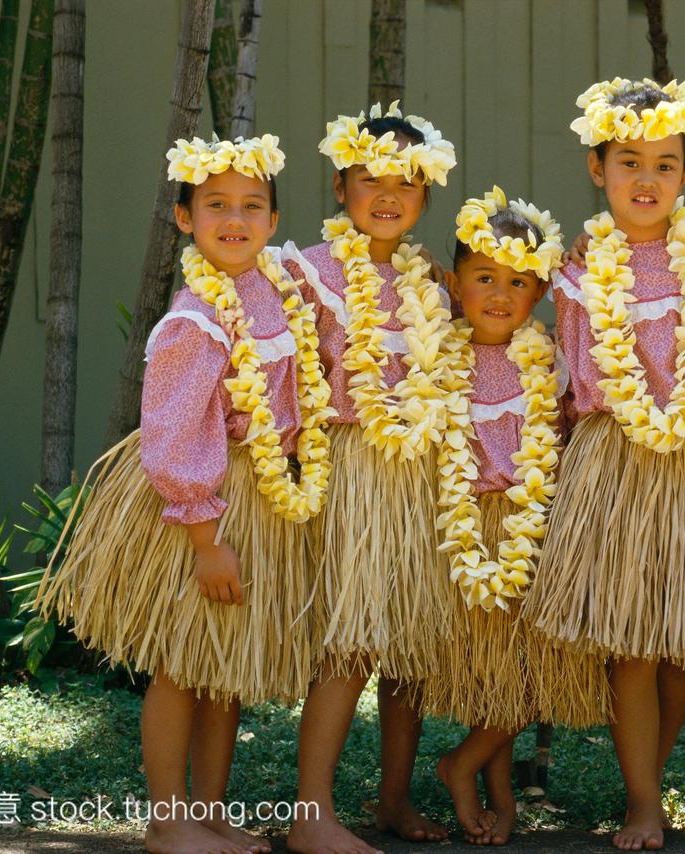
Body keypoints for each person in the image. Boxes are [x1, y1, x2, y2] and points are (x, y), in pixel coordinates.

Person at [38, 134, 330, 854]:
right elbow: (172, 434)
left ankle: (210, 812)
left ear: (273, 219)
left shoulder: (276, 292)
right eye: (216, 206)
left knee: (220, 667)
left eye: (252, 206)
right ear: (183, 219)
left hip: (259, 496)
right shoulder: (194, 320)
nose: (235, 219)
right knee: (181, 662)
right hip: (201, 508)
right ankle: (168, 820)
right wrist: (205, 537)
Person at [522, 77, 685, 852]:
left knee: (679, 649)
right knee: (631, 643)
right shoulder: (571, 271)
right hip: (612, 462)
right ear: (598, 168)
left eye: (665, 164)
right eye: (628, 161)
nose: (646, 179)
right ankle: (641, 803)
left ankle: (651, 784)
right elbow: (557, 374)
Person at [278, 102, 457, 854]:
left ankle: (393, 798)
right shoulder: (306, 273)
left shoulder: (433, 286)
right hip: (344, 470)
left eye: (406, 183)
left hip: (415, 475)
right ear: (339, 184)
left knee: (409, 647)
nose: (388, 195)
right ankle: (310, 810)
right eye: (369, 179)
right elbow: (282, 377)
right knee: (348, 644)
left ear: (426, 194)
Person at [420, 187, 611, 845]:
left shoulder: (548, 358)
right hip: (465, 528)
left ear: (540, 290)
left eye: (518, 281)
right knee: (492, 676)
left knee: (534, 673)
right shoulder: (437, 356)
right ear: (455, 283)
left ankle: (463, 764)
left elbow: (569, 428)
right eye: (483, 277)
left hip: (535, 529)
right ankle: (496, 794)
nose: (499, 293)